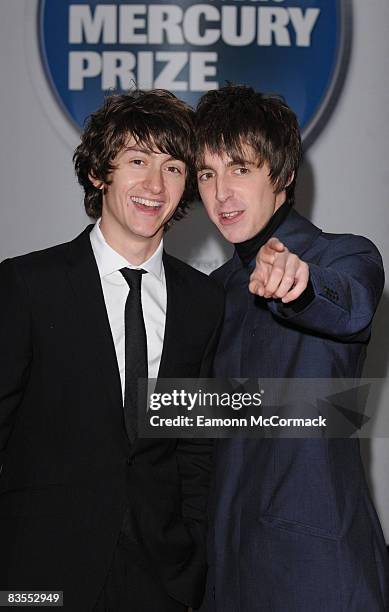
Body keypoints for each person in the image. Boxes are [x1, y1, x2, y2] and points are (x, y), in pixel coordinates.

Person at [0, 89, 224, 611]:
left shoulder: (203, 301)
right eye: (137, 161)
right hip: (38, 573)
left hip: (160, 576)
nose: (154, 184)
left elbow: (197, 448)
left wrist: (192, 558)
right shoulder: (27, 285)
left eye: (173, 167)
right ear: (100, 172)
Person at [194, 85, 389, 611]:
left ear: (281, 174)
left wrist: (298, 287)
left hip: (321, 578)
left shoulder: (344, 255)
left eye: (239, 168)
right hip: (226, 580)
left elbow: (350, 304)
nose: (221, 194)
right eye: (207, 174)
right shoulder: (209, 294)